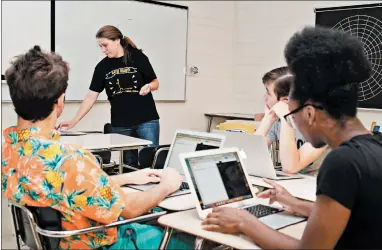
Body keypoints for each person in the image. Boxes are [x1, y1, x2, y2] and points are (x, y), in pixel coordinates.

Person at [202, 26, 382, 249]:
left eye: (292, 116)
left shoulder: (342, 163)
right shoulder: (374, 146)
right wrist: (292, 202)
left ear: (309, 113)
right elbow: (350, 214)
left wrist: (244, 222)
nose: (291, 123)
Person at [2, 46, 193, 249]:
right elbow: (129, 209)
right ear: (59, 101)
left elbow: (67, 186)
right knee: (189, 233)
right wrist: (168, 185)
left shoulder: (10, 148)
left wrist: (129, 178)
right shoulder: (70, 160)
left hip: (52, 244)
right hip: (100, 243)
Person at [58, 25, 160, 167]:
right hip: (121, 123)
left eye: (105, 45)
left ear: (117, 40)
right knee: (128, 164)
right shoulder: (102, 67)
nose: (103, 50)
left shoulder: (137, 56)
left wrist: (149, 86)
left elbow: (155, 82)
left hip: (147, 120)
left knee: (149, 161)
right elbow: (91, 96)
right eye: (100, 46)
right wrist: (74, 120)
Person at [255, 68, 328, 174]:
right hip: (296, 184)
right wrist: (267, 119)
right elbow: (246, 158)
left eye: (268, 93)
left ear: (285, 100)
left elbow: (290, 167)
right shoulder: (276, 121)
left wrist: (286, 119)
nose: (265, 97)